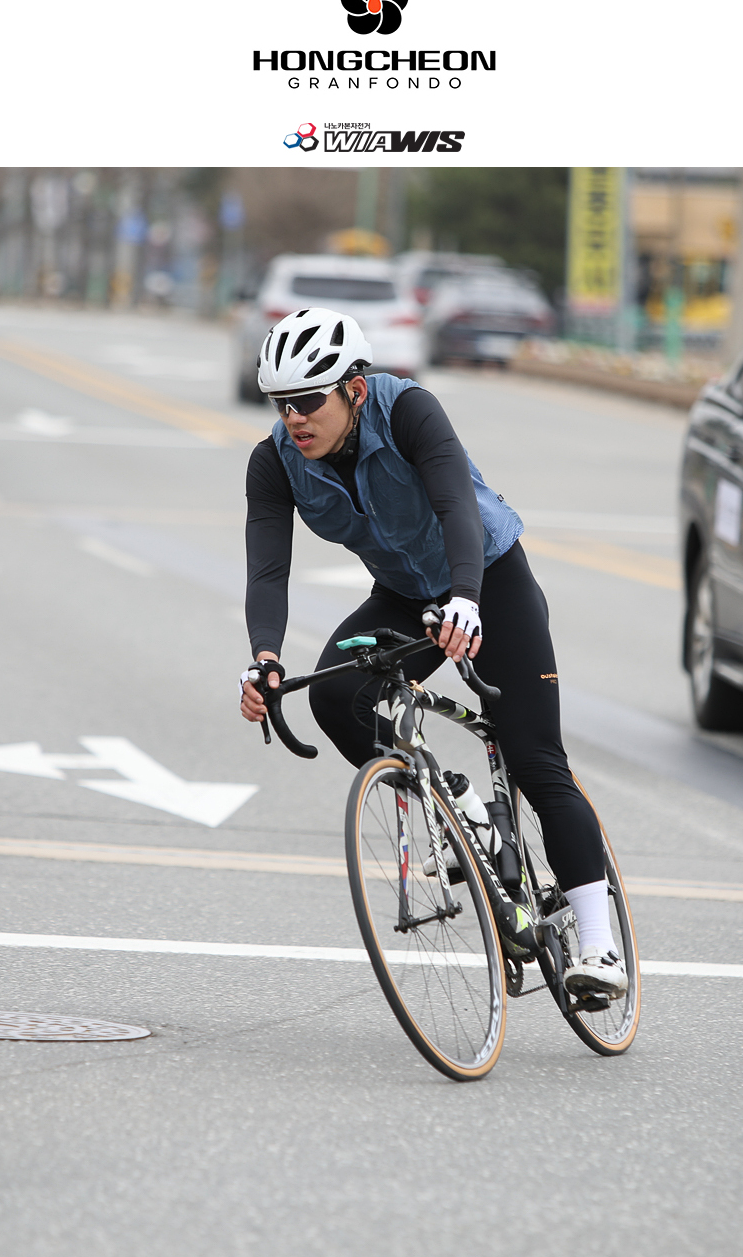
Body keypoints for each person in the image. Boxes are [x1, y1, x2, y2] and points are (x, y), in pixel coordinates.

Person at [235, 306, 625, 997]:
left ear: (354, 389)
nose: (294, 418)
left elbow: (455, 507)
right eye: (281, 403)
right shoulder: (275, 463)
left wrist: (467, 599)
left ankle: (600, 946)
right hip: (403, 595)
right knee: (334, 696)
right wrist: (264, 658)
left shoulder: (409, 410)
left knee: (535, 758)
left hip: (489, 579)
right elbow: (268, 571)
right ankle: (457, 804)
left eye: (308, 401)